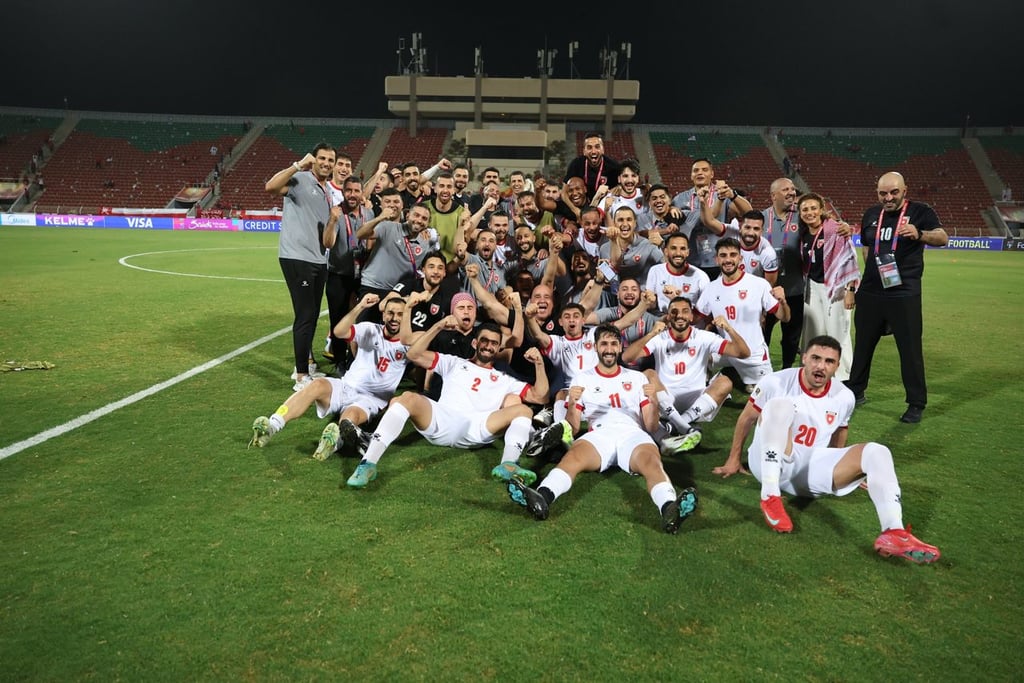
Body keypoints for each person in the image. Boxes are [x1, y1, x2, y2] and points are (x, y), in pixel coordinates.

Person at [712, 335, 941, 564]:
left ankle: (893, 532)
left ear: (837, 366)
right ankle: (770, 496)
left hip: (808, 472)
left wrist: (845, 464)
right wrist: (734, 459)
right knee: (779, 406)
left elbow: (840, 431)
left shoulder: (845, 396)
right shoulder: (776, 382)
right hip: (767, 462)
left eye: (829, 361)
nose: (821, 366)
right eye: (815, 358)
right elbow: (746, 418)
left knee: (877, 452)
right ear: (804, 358)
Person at [505, 324, 699, 534]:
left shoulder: (637, 378)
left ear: (620, 347)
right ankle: (542, 497)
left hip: (632, 433)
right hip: (599, 434)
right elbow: (575, 425)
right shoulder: (582, 379)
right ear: (595, 348)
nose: (609, 348)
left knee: (652, 463)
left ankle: (669, 508)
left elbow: (651, 425)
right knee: (573, 458)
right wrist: (571, 404)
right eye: (604, 344)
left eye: (613, 344)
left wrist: (652, 401)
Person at [343, 319, 550, 489]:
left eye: (494, 343)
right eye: (484, 341)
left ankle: (509, 464)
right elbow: (413, 354)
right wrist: (439, 325)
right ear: (475, 343)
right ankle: (367, 464)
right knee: (407, 397)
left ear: (498, 347)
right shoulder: (453, 362)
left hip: (478, 427)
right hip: (443, 419)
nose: (488, 346)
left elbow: (540, 397)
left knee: (522, 409)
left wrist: (539, 364)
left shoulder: (505, 379)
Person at [249, 294, 408, 459]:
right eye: (390, 313)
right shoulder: (370, 329)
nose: (394, 318)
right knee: (317, 385)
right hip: (345, 386)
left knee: (349, 417)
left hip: (369, 400)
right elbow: (339, 332)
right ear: (383, 314)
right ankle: (272, 426)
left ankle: (333, 443)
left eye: (400, 314)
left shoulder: (408, 344)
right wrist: (360, 306)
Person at [846, 171, 948, 423]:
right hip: (871, 291)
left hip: (903, 292)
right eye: (883, 193)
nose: (888, 197)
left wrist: (920, 233)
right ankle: (855, 391)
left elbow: (943, 237)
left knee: (909, 348)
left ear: (905, 190)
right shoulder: (871, 214)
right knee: (863, 344)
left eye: (893, 192)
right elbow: (867, 249)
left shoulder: (922, 211)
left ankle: (916, 403)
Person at [622, 296, 750, 455]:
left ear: (691, 316)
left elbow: (743, 353)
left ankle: (676, 425)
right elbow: (627, 357)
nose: (679, 315)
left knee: (725, 382)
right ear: (668, 316)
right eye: (674, 312)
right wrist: (651, 334)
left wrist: (729, 329)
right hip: (665, 399)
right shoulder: (660, 337)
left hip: (696, 400)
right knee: (648, 374)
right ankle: (686, 427)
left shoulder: (703, 337)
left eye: (685, 311)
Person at [264, 142, 338, 391]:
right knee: (305, 315)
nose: (327, 163)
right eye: (323, 159)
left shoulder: (327, 190)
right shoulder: (301, 178)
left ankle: (305, 368)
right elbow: (271, 186)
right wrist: (297, 165)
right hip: (298, 258)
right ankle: (301, 375)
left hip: (318, 259)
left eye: (331, 160)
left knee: (312, 314)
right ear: (313, 159)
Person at [696, 238, 790, 393]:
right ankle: (702, 380)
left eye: (733, 255)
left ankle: (750, 379)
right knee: (693, 352)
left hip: (753, 354)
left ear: (740, 258)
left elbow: (785, 318)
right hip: (726, 350)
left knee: (768, 395)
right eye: (723, 255)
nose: (728, 259)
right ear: (717, 259)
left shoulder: (758, 284)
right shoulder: (711, 288)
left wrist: (783, 302)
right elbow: (695, 318)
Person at [797, 193, 859, 381]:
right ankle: (811, 369)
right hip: (812, 288)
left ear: (821, 209)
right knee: (812, 330)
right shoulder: (803, 234)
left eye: (813, 208)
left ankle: (843, 376)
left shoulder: (835, 230)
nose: (810, 213)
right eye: (805, 209)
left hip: (836, 287)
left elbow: (849, 260)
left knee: (837, 332)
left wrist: (850, 291)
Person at [671, 159, 753, 278]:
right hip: (692, 259)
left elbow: (749, 213)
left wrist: (733, 195)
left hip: (720, 259)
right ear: (691, 175)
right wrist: (671, 209)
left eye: (705, 170)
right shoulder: (680, 199)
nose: (700, 173)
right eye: (696, 170)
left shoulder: (722, 193)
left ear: (712, 174)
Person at [324, 175, 374, 365]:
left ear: (362, 193)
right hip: (338, 275)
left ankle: (355, 361)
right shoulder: (336, 213)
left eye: (356, 191)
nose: (352, 195)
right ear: (343, 192)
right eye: (349, 190)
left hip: (361, 276)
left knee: (359, 320)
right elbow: (328, 243)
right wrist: (332, 221)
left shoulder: (368, 214)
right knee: (337, 320)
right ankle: (339, 363)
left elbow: (371, 241)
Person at [761, 178, 804, 368]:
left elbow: (825, 226)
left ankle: (786, 369)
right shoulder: (761, 219)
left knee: (791, 337)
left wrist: (841, 227)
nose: (791, 193)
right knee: (762, 334)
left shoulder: (802, 216)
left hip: (794, 290)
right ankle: (761, 372)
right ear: (773, 195)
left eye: (793, 189)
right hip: (766, 291)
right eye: (786, 189)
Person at [644, 232, 710, 316]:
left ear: (688, 252)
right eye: (673, 248)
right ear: (666, 251)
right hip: (664, 323)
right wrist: (647, 300)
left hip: (691, 325)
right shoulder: (655, 271)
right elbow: (651, 306)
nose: (678, 253)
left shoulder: (701, 277)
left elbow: (704, 314)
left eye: (682, 248)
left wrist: (676, 299)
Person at [564, 132, 623, 203]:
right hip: (582, 205)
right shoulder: (576, 164)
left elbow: (621, 188)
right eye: (589, 147)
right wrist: (576, 211)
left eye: (597, 147)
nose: (593, 151)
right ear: (584, 151)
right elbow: (564, 192)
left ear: (603, 150)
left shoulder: (614, 167)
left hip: (604, 205)